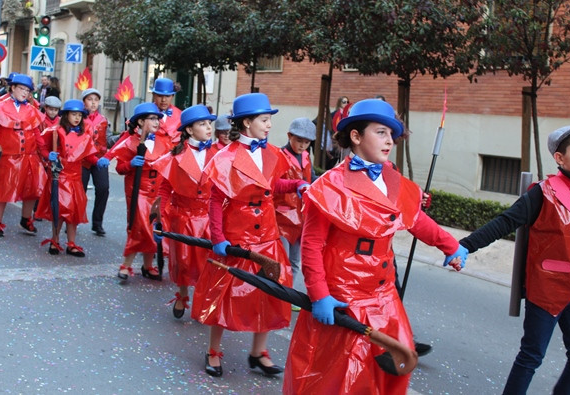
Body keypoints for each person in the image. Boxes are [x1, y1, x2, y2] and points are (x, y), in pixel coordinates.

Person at [283, 99, 467, 394]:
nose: (389, 141)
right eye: (381, 132)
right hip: (344, 295)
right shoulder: (329, 185)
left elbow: (417, 220)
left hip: (384, 293)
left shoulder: (394, 180)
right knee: (339, 375)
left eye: (391, 135)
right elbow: (312, 244)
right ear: (356, 136)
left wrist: (451, 247)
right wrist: (319, 295)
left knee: (396, 366)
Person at [458, 122, 570, 395]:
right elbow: (505, 222)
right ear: (559, 157)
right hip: (546, 290)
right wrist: (464, 246)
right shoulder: (542, 193)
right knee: (531, 357)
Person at [191, 92, 309, 378]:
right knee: (224, 293)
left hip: (268, 234)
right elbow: (216, 200)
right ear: (246, 123)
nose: (269, 125)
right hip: (237, 236)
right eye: (264, 120)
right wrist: (218, 237)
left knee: (271, 293)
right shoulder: (225, 157)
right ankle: (214, 350)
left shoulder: (272, 153)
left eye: (269, 120)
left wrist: (296, 184)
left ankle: (259, 352)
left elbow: (272, 184)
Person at [153, 104, 216, 318]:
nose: (208, 127)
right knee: (183, 260)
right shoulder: (174, 156)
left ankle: (202, 298)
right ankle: (182, 294)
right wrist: (160, 217)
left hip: (207, 217)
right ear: (189, 130)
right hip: (183, 216)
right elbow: (165, 187)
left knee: (206, 262)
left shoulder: (217, 154)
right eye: (202, 124)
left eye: (209, 123)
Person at [35, 99, 109, 256]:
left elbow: (89, 155)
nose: (77, 118)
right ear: (66, 115)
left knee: (74, 212)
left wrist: (98, 162)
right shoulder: (55, 131)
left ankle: (71, 242)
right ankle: (54, 240)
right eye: (73, 114)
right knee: (59, 210)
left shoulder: (85, 136)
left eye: (80, 115)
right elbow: (42, 146)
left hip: (75, 178)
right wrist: (49, 155)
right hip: (59, 176)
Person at [108, 102, 172, 281]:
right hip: (139, 192)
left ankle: (148, 265)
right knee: (138, 228)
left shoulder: (164, 143)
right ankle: (126, 265)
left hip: (157, 193)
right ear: (141, 122)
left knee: (155, 228)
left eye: (158, 119)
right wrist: (130, 164)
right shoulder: (129, 143)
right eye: (152, 119)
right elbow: (120, 168)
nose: (156, 122)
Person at [0, 74, 47, 237]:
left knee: (32, 188)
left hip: (29, 156)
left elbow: (36, 132)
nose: (25, 93)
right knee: (2, 189)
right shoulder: (0, 105)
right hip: (7, 156)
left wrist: (46, 152)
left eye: (28, 90)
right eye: (22, 89)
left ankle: (26, 219)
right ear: (12, 88)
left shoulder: (31, 110)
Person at [273, 117, 317, 304]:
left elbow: (312, 178)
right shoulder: (278, 155)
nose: (302, 145)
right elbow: (273, 183)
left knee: (295, 260)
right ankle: (279, 295)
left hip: (301, 215)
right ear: (289, 136)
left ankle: (288, 295)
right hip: (281, 216)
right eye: (299, 140)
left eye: (306, 142)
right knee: (281, 259)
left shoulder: (306, 157)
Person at [80, 88, 110, 236]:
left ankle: (97, 223)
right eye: (90, 99)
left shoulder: (104, 120)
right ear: (84, 102)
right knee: (80, 191)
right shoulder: (79, 118)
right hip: (82, 160)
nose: (93, 103)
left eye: (96, 100)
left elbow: (109, 139)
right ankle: (74, 219)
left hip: (99, 159)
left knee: (103, 188)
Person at [151, 77, 182, 146]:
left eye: (167, 96)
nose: (164, 100)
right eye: (160, 96)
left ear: (172, 96)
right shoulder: (145, 113)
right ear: (154, 95)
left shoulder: (180, 115)